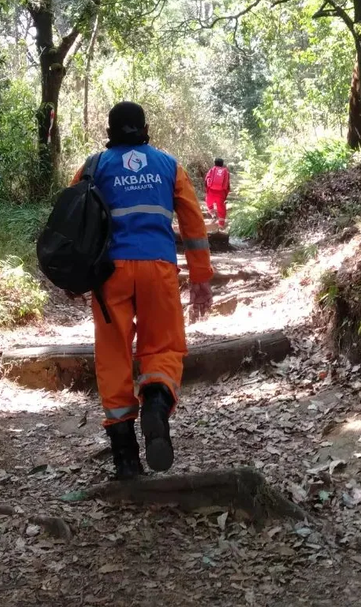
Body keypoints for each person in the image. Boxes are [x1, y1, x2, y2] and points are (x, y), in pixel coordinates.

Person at [70, 102, 213, 479]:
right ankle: (156, 400)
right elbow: (193, 223)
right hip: (158, 267)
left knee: (114, 353)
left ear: (110, 129)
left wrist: (74, 275)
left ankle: (125, 456)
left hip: (109, 274)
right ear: (145, 128)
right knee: (163, 346)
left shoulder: (94, 166)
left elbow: (72, 218)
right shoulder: (168, 165)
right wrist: (200, 276)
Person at [205, 158, 230, 229]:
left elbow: (206, 181)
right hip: (221, 193)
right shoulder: (226, 172)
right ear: (222, 164)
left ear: (215, 163)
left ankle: (212, 213)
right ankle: (221, 225)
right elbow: (227, 185)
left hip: (211, 192)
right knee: (221, 208)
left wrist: (207, 191)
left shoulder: (212, 170)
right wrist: (225, 195)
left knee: (208, 202)